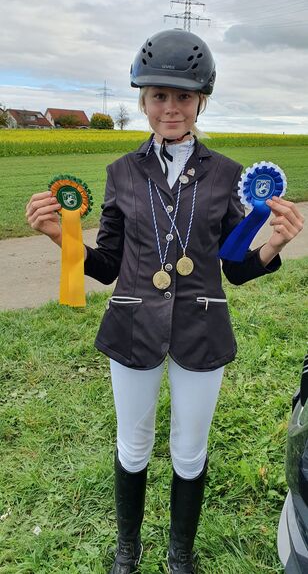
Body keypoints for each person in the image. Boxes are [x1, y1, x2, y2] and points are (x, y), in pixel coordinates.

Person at [26, 29, 304, 574]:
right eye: (159, 95)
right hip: (132, 330)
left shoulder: (226, 175)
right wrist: (61, 236)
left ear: (202, 99)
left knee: (189, 451)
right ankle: (126, 552)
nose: (170, 108)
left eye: (183, 96)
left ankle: (180, 557)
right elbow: (106, 264)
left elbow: (236, 269)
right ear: (142, 101)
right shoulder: (121, 173)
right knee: (133, 447)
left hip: (202, 333)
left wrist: (273, 242)